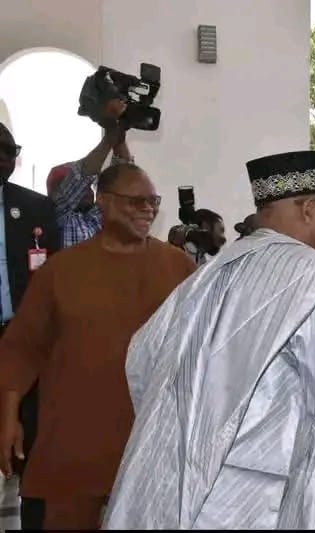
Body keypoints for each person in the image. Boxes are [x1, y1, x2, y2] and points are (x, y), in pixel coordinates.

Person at [102, 150, 315, 530]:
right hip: (263, 493)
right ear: (309, 210)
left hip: (189, 485)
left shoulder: (211, 273)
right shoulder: (311, 280)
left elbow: (143, 358)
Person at [0, 163, 196, 530]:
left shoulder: (179, 268)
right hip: (75, 440)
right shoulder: (61, 271)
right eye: (135, 201)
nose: (148, 210)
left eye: (153, 201)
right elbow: (22, 348)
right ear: (103, 202)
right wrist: (8, 418)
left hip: (150, 440)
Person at [0, 122, 61, 529]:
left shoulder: (36, 207)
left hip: (23, 340)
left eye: (10, 150)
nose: (4, 157)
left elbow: (53, 278)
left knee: (33, 450)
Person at [47, 107, 134, 249]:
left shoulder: (94, 216)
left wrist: (120, 136)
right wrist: (109, 138)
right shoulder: (60, 217)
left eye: (88, 185)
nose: (87, 188)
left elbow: (123, 177)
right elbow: (83, 175)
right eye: (79, 187)